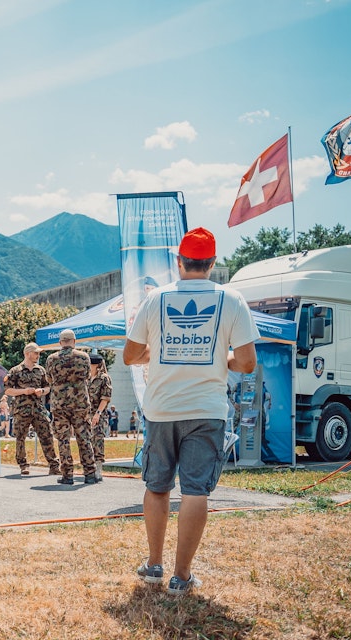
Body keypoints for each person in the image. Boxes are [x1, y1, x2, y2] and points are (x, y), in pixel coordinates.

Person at [124, 227, 258, 596]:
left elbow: (130, 356)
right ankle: (181, 576)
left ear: (179, 262)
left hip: (161, 408)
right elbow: (247, 363)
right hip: (206, 409)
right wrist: (218, 358)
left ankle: (154, 565)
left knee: (157, 487)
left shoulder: (155, 298)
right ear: (212, 263)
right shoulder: (232, 299)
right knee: (196, 491)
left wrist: (161, 353)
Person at [45, 329, 96, 485]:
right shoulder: (84, 357)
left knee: (63, 440)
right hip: (80, 404)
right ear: (74, 341)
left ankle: (67, 475)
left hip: (59, 405)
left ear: (60, 342)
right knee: (84, 438)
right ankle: (90, 474)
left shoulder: (51, 359)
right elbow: (88, 376)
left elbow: (49, 379)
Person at [4, 343, 60, 476]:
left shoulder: (41, 370)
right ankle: (23, 465)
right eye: (36, 353)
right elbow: (7, 390)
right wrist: (24, 391)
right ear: (27, 353)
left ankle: (54, 465)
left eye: (38, 353)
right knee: (20, 437)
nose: (38, 356)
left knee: (47, 435)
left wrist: (42, 391)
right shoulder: (15, 371)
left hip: (38, 409)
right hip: (21, 409)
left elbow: (48, 387)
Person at [87, 353, 113, 480]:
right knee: (87, 441)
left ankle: (98, 468)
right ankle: (89, 468)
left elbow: (106, 398)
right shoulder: (86, 378)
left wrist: (97, 414)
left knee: (97, 440)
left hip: (99, 414)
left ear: (96, 365)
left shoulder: (104, 378)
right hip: (86, 415)